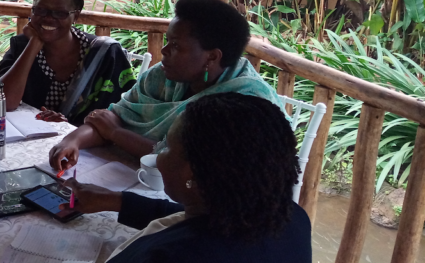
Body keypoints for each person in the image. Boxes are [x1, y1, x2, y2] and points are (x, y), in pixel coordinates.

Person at [59, 93, 311, 262]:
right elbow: (195, 217)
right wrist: (118, 201)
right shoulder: (292, 217)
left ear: (191, 172)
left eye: (166, 148)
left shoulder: (167, 255)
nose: (158, 157)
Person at [49, 0, 279, 166]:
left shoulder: (248, 104)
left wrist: (116, 134)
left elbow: (191, 165)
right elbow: (112, 118)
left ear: (212, 56)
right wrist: (72, 141)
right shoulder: (164, 76)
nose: (165, 51)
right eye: (168, 41)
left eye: (176, 46)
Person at [0, 0, 136, 125]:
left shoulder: (105, 54)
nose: (48, 18)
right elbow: (1, 103)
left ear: (76, 16)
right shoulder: (22, 46)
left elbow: (125, 114)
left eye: (60, 13)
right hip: (33, 140)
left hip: (88, 144)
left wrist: (68, 125)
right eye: (40, 10)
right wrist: (33, 45)